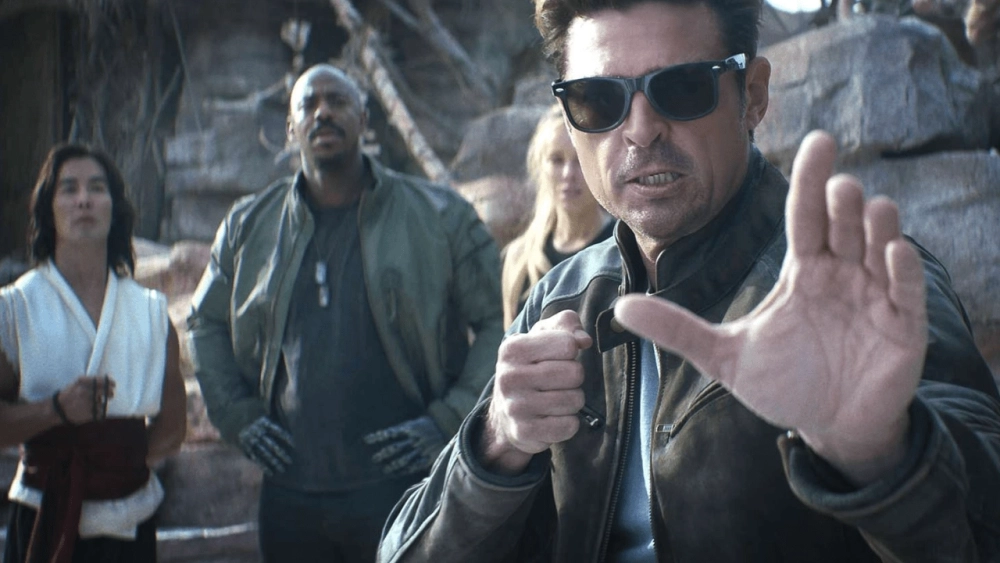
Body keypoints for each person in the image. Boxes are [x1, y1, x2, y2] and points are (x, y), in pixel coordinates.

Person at [377, 0, 1000, 561]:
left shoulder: (858, 284)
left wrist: (880, 455)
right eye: (597, 100)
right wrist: (495, 446)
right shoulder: (559, 296)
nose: (640, 129)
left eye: (681, 88)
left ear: (753, 96)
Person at [186, 63, 504, 562]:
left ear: (364, 118)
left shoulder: (439, 215)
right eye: (308, 104)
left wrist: (449, 418)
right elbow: (204, 322)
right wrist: (236, 415)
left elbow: (497, 321)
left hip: (405, 484)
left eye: (337, 101)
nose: (323, 113)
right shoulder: (249, 226)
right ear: (290, 128)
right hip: (290, 495)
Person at [0, 143, 187, 563]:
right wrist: (55, 411)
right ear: (48, 208)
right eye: (69, 188)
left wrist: (115, 465)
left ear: (114, 208)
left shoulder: (151, 314)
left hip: (128, 521)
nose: (83, 199)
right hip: (42, 514)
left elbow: (173, 428)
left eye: (97, 188)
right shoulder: (15, 309)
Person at [501, 104, 613, 327]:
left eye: (579, 159)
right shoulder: (519, 259)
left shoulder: (624, 248)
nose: (568, 174)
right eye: (556, 160)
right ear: (540, 165)